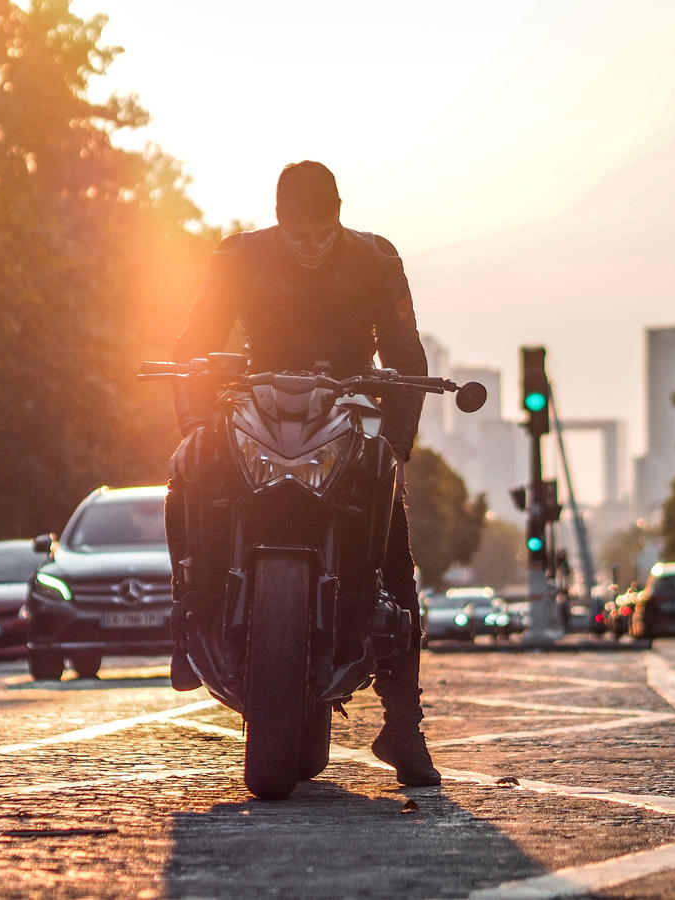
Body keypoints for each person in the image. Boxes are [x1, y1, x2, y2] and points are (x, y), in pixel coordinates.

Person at [167, 160, 439, 786]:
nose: (311, 248)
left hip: (347, 411)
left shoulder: (377, 259)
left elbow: (405, 349)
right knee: (188, 469)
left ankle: (403, 723)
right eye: (299, 236)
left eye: (322, 234)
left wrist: (397, 443)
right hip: (258, 405)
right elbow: (195, 341)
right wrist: (194, 416)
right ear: (279, 220)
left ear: (340, 213)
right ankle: (190, 613)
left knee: (391, 537)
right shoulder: (237, 256)